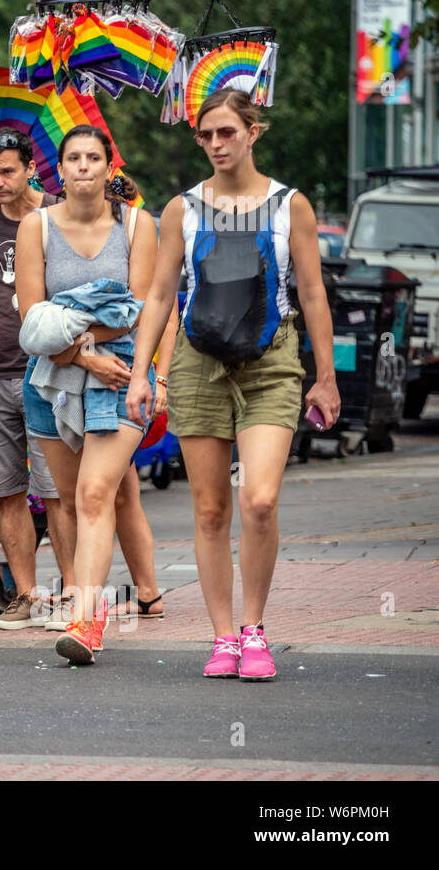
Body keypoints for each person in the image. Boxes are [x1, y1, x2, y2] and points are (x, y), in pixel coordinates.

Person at [125, 88, 340, 681]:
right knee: (212, 509)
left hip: (273, 360)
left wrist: (325, 377)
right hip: (199, 362)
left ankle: (254, 628)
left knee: (260, 500)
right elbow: (162, 295)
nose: (216, 144)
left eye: (227, 132)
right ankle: (223, 638)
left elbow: (313, 292)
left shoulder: (288, 204)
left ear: (253, 131)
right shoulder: (182, 209)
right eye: (206, 135)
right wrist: (143, 372)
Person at [16, 125, 158, 665]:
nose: (82, 167)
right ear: (60, 168)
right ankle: (88, 598)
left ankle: (85, 619)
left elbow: (146, 309)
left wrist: (151, 375)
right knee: (72, 501)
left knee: (97, 494)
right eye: (72, 158)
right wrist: (81, 353)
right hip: (49, 378)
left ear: (107, 167)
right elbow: (33, 320)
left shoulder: (136, 223)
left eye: (92, 158)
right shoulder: (37, 227)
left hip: (120, 377)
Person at [0, 128, 73, 630]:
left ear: (30, 169)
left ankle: (72, 593)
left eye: (7, 171)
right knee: (6, 489)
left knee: (57, 491)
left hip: (47, 372)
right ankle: (26, 595)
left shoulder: (56, 215)